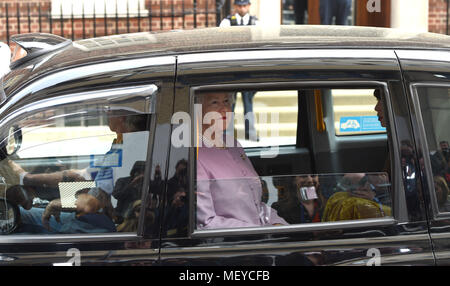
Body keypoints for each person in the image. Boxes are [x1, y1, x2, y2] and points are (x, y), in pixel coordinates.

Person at [196, 91, 287, 229]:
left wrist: (277, 223)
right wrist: (261, 233)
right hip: (231, 245)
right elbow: (206, 222)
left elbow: (256, 206)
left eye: (227, 101)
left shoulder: (233, 144)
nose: (225, 109)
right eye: (215, 102)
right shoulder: (195, 154)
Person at [219, 0, 259, 142]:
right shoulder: (227, 22)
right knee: (230, 103)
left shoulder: (255, 23)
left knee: (248, 102)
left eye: (244, 5)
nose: (242, 8)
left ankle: (251, 133)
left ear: (248, 6)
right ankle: (227, 134)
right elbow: (222, 43)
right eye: (240, 5)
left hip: (248, 68)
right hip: (232, 68)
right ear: (235, 6)